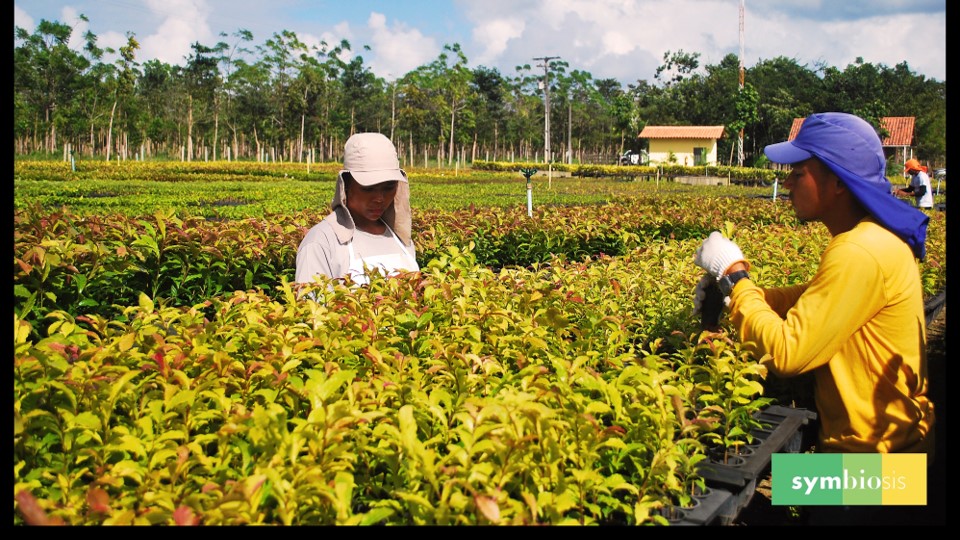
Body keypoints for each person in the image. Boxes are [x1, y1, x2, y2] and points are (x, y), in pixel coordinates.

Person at [692, 113, 936, 523]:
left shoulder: (859, 251)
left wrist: (735, 277)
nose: (786, 183)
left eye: (798, 172)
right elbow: (812, 300)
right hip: (893, 458)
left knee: (735, 494)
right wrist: (744, 295)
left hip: (873, 474)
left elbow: (788, 354)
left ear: (838, 182)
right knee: (783, 490)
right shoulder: (871, 239)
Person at [295, 132, 419, 288]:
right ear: (346, 185)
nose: (379, 198)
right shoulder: (322, 242)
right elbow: (309, 308)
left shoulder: (401, 239)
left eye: (388, 188)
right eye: (368, 189)